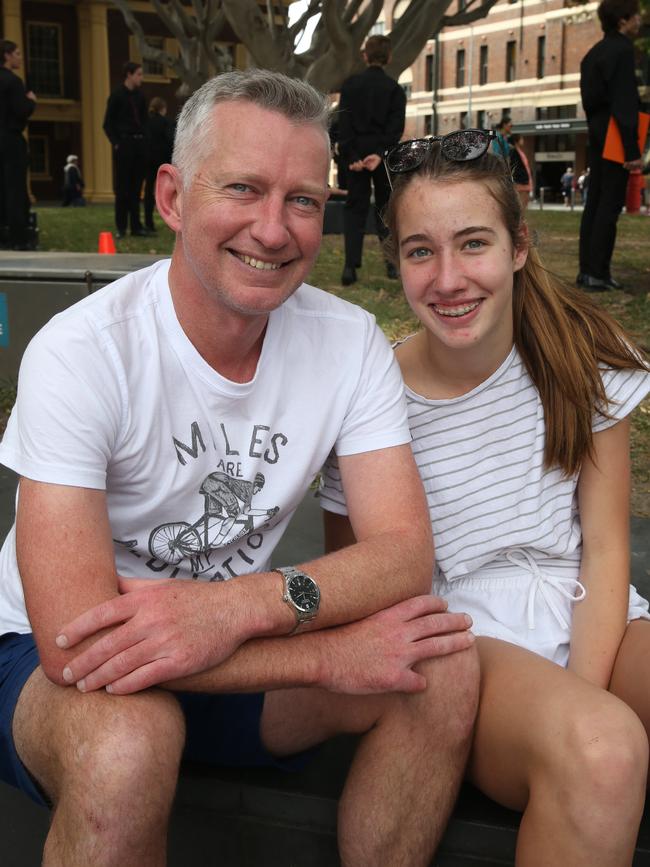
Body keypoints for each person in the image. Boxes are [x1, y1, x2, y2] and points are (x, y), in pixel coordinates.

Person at [0, 70, 479, 866]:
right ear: (172, 197)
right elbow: (74, 648)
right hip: (41, 659)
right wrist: (324, 654)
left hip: (223, 648)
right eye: (243, 188)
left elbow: (402, 553)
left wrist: (226, 612)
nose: (274, 228)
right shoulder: (83, 351)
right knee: (130, 739)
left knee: (443, 667)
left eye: (302, 200)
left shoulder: (348, 340)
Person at [321, 130, 650, 864]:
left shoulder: (580, 353)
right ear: (395, 261)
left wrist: (580, 688)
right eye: (419, 251)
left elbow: (603, 548)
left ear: (520, 245)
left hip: (591, 610)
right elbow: (358, 581)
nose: (448, 277)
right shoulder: (370, 399)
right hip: (467, 641)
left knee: (597, 729)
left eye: (474, 243)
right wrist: (583, 718)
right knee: (603, 750)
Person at [578, 0, 643, 291]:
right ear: (623, 20)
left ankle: (587, 271)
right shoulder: (623, 51)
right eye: (636, 15)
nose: (639, 20)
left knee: (594, 204)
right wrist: (633, 151)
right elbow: (624, 103)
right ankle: (599, 273)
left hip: (596, 134)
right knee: (610, 206)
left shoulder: (592, 55)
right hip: (615, 137)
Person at [338, 34, 406, 285]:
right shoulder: (394, 90)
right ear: (388, 57)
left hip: (356, 157)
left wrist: (352, 156)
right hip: (382, 157)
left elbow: (343, 123)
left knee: (354, 210)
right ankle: (391, 265)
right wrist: (380, 153)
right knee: (386, 210)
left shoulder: (350, 86)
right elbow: (395, 127)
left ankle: (349, 267)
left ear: (365, 56)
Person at [103, 61, 148, 239]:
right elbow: (107, 124)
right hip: (124, 144)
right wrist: (117, 142)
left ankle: (136, 226)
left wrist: (146, 141)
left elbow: (145, 122)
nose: (141, 78)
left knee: (137, 188)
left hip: (140, 144)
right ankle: (121, 227)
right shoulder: (116, 95)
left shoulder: (141, 97)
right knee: (123, 188)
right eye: (138, 74)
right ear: (129, 74)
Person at [0, 39, 36, 249]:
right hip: (11, 140)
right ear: (7, 55)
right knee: (15, 188)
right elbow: (21, 110)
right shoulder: (13, 81)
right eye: (17, 53)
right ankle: (18, 238)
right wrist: (31, 101)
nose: (20, 57)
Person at [144, 96, 175, 233]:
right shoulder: (166, 123)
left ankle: (148, 222)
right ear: (163, 109)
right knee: (170, 191)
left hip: (148, 159)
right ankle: (173, 221)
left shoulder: (146, 122)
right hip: (164, 160)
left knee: (148, 191)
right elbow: (171, 140)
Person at [508, 133, 533, 209]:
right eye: (521, 139)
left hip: (525, 181)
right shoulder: (514, 151)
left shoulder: (519, 151)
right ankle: (519, 220)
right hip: (520, 183)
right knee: (521, 205)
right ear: (516, 141)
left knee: (525, 203)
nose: (523, 140)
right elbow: (515, 167)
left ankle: (521, 220)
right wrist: (519, 179)